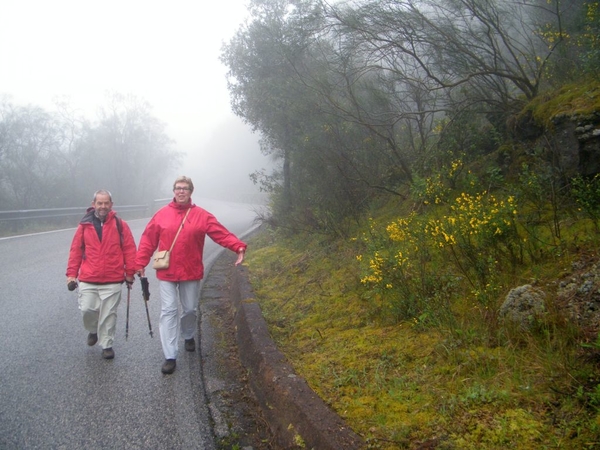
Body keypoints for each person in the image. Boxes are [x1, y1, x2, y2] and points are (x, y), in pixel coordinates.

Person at [136, 176, 246, 374]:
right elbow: (147, 241)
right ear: (173, 191)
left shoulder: (201, 215)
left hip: (190, 270)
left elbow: (220, 233)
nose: (181, 192)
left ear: (190, 192)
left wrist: (238, 247)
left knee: (189, 310)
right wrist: (140, 263)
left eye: (185, 189)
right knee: (168, 310)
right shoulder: (161, 215)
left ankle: (188, 335)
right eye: (178, 188)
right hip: (167, 271)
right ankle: (170, 355)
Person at [66, 190, 137, 360]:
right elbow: (76, 251)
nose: (103, 206)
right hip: (88, 278)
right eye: (100, 203)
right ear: (93, 204)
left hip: (113, 279)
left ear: (111, 204)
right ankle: (93, 329)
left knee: (108, 314)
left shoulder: (120, 225)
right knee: (87, 309)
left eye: (106, 203)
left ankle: (107, 345)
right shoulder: (84, 225)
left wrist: (130, 273)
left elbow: (129, 249)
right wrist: (71, 275)